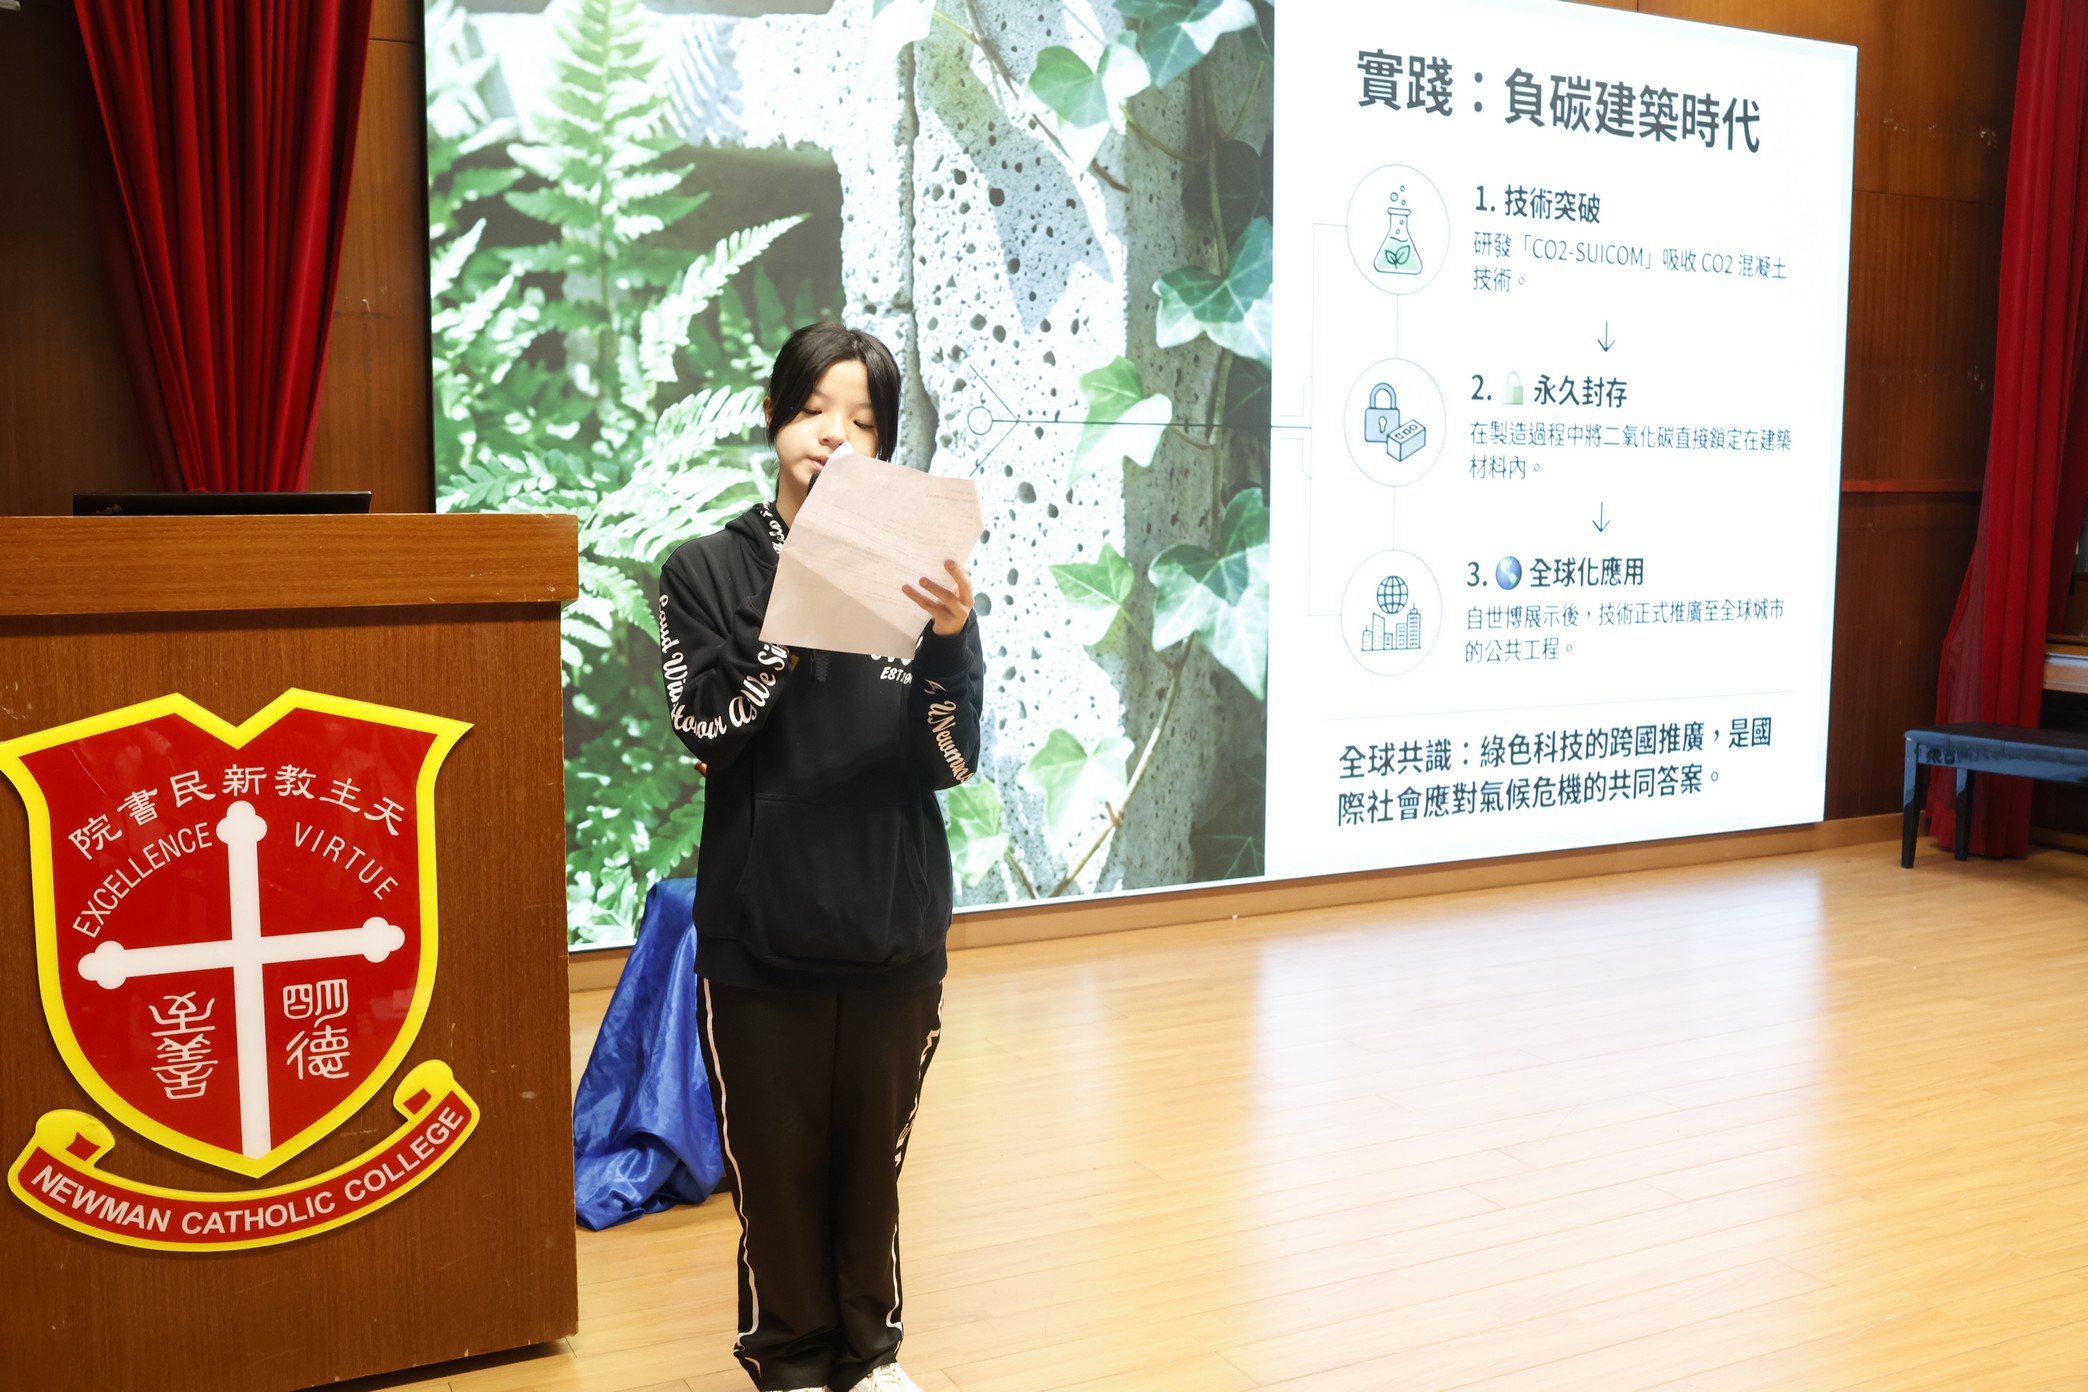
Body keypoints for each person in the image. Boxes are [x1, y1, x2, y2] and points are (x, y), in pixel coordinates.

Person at [656, 322, 984, 1392]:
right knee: (777, 1174)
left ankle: (872, 1355)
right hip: (761, 939)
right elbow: (707, 729)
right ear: (773, 417)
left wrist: (950, 642)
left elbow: (953, 762)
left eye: (862, 420)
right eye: (811, 411)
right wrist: (787, 629)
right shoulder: (706, 570)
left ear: (884, 445)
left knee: (870, 1173)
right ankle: (792, 1361)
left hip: (893, 931)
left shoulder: (924, 582)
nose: (833, 436)